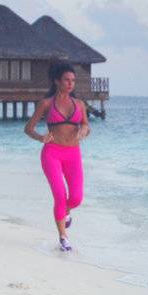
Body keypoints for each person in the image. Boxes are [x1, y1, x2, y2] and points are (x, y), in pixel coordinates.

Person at [25, 59, 90, 251]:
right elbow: (28, 128)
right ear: (57, 81)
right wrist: (40, 137)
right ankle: (63, 237)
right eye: (66, 80)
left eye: (73, 80)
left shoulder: (79, 104)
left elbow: (86, 125)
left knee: (76, 198)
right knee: (60, 196)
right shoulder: (46, 103)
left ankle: (66, 212)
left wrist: (84, 130)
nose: (70, 83)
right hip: (52, 153)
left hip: (73, 154)